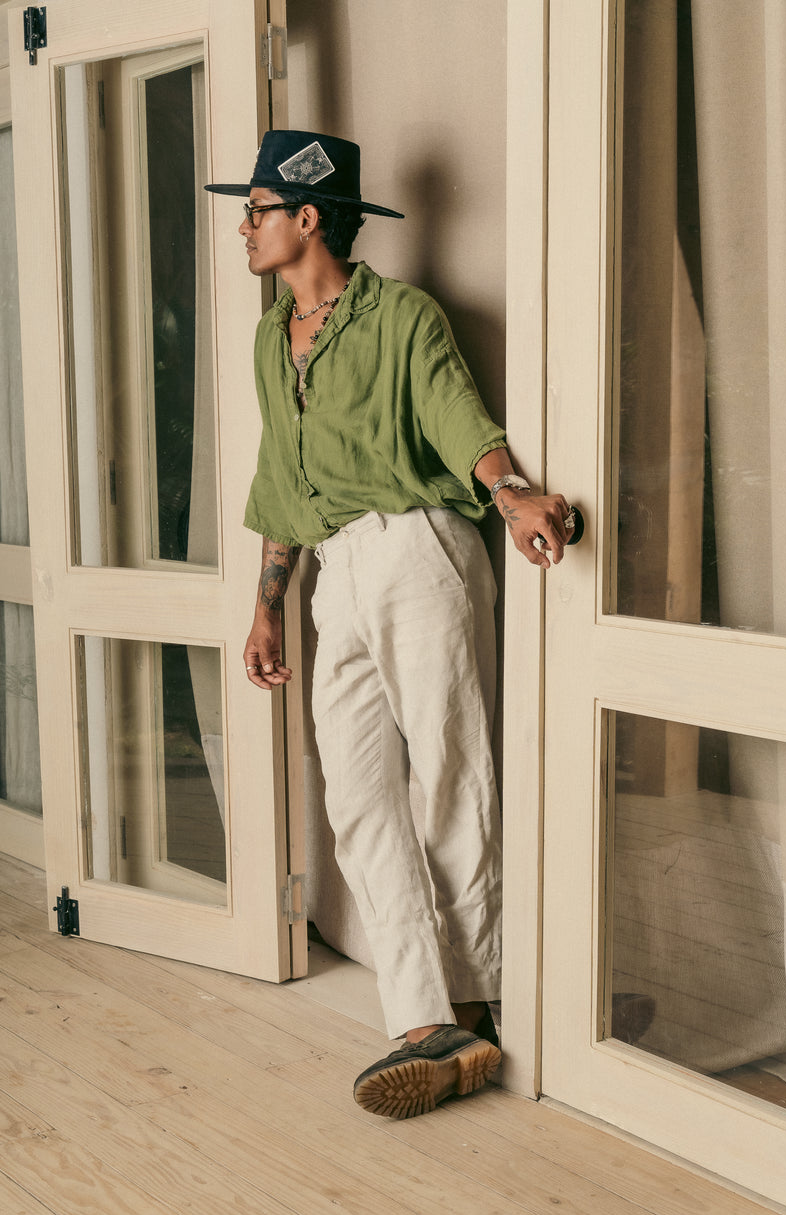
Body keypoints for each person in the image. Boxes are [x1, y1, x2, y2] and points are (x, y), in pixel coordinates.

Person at [206, 130, 573, 1119]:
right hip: (336, 571)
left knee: (452, 775)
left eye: (255, 210)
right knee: (360, 793)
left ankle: (485, 1001)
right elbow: (279, 479)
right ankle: (424, 1024)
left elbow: (459, 419)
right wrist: (268, 603)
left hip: (420, 551)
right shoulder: (266, 336)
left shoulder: (402, 317)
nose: (242, 227)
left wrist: (513, 494)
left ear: (307, 217)